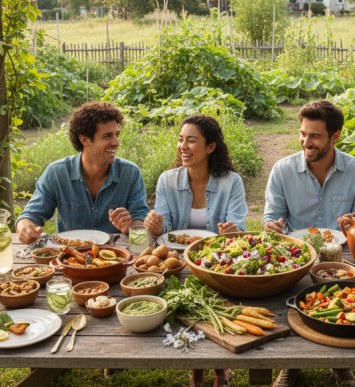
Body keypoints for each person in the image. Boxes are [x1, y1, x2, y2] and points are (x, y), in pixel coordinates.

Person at [262, 100, 355, 387]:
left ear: (335, 137)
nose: (306, 142)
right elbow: (271, 217)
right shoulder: (283, 170)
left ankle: (340, 365)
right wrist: (271, 225)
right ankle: (291, 364)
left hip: (341, 256)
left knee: (343, 303)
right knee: (289, 302)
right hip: (297, 256)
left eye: (314, 136)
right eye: (303, 134)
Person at [143, 114, 246, 387]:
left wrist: (232, 230)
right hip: (176, 263)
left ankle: (219, 366)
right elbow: (163, 231)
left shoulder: (231, 182)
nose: (183, 146)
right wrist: (155, 226)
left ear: (210, 147)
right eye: (181, 140)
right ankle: (198, 368)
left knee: (217, 308)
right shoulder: (168, 180)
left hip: (216, 262)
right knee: (190, 309)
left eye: (191, 140)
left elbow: (239, 229)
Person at [17, 101, 149, 243]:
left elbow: (141, 220)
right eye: (107, 136)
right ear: (85, 140)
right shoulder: (57, 173)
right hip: (71, 254)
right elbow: (29, 216)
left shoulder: (130, 173)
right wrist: (26, 229)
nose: (116, 142)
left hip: (116, 253)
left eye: (117, 135)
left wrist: (131, 226)